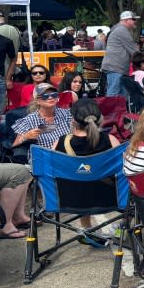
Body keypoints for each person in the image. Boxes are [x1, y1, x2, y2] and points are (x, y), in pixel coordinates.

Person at [53, 98, 122, 246]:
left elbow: (52, 172)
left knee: (79, 182)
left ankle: (87, 229)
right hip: (110, 199)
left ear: (73, 121)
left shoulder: (60, 143)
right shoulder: (111, 140)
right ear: (99, 118)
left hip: (70, 199)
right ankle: (119, 232)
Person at [11, 83, 73, 154]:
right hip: (42, 158)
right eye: (45, 96)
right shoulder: (29, 121)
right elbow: (14, 145)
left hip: (66, 156)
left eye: (54, 95)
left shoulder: (67, 114)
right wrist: (26, 136)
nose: (50, 98)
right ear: (37, 101)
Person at [100, 11, 140, 98]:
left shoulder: (119, 29)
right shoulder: (122, 30)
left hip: (117, 68)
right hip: (116, 68)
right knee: (113, 94)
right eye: (133, 19)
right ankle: (110, 112)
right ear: (126, 20)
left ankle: (118, 112)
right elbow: (134, 51)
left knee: (122, 96)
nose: (135, 21)